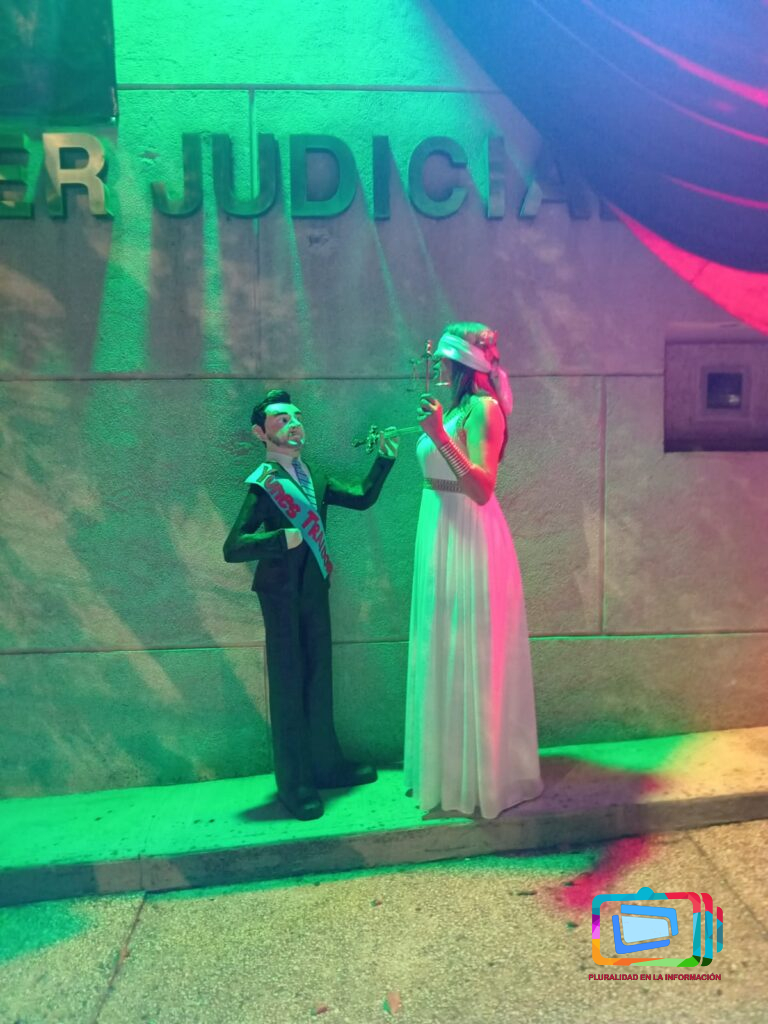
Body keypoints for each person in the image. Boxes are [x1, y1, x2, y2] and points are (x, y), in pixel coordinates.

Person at [224, 389, 398, 820]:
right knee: (289, 686)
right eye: (282, 420)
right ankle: (294, 781)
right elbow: (234, 546)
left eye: (296, 416)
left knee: (320, 679)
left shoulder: (313, 476)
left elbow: (361, 495)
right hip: (280, 595)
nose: (294, 423)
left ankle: (326, 765)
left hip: (315, 589)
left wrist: (384, 458)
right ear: (260, 433)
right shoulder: (264, 484)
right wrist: (278, 540)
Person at [404, 323, 543, 819]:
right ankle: (447, 773)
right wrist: (438, 430)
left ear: (462, 363)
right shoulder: (456, 409)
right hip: (438, 531)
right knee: (442, 646)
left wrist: (440, 437)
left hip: (469, 533)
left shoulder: (483, 409)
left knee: (471, 649)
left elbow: (483, 488)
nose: (438, 367)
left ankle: (482, 777)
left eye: (444, 359)